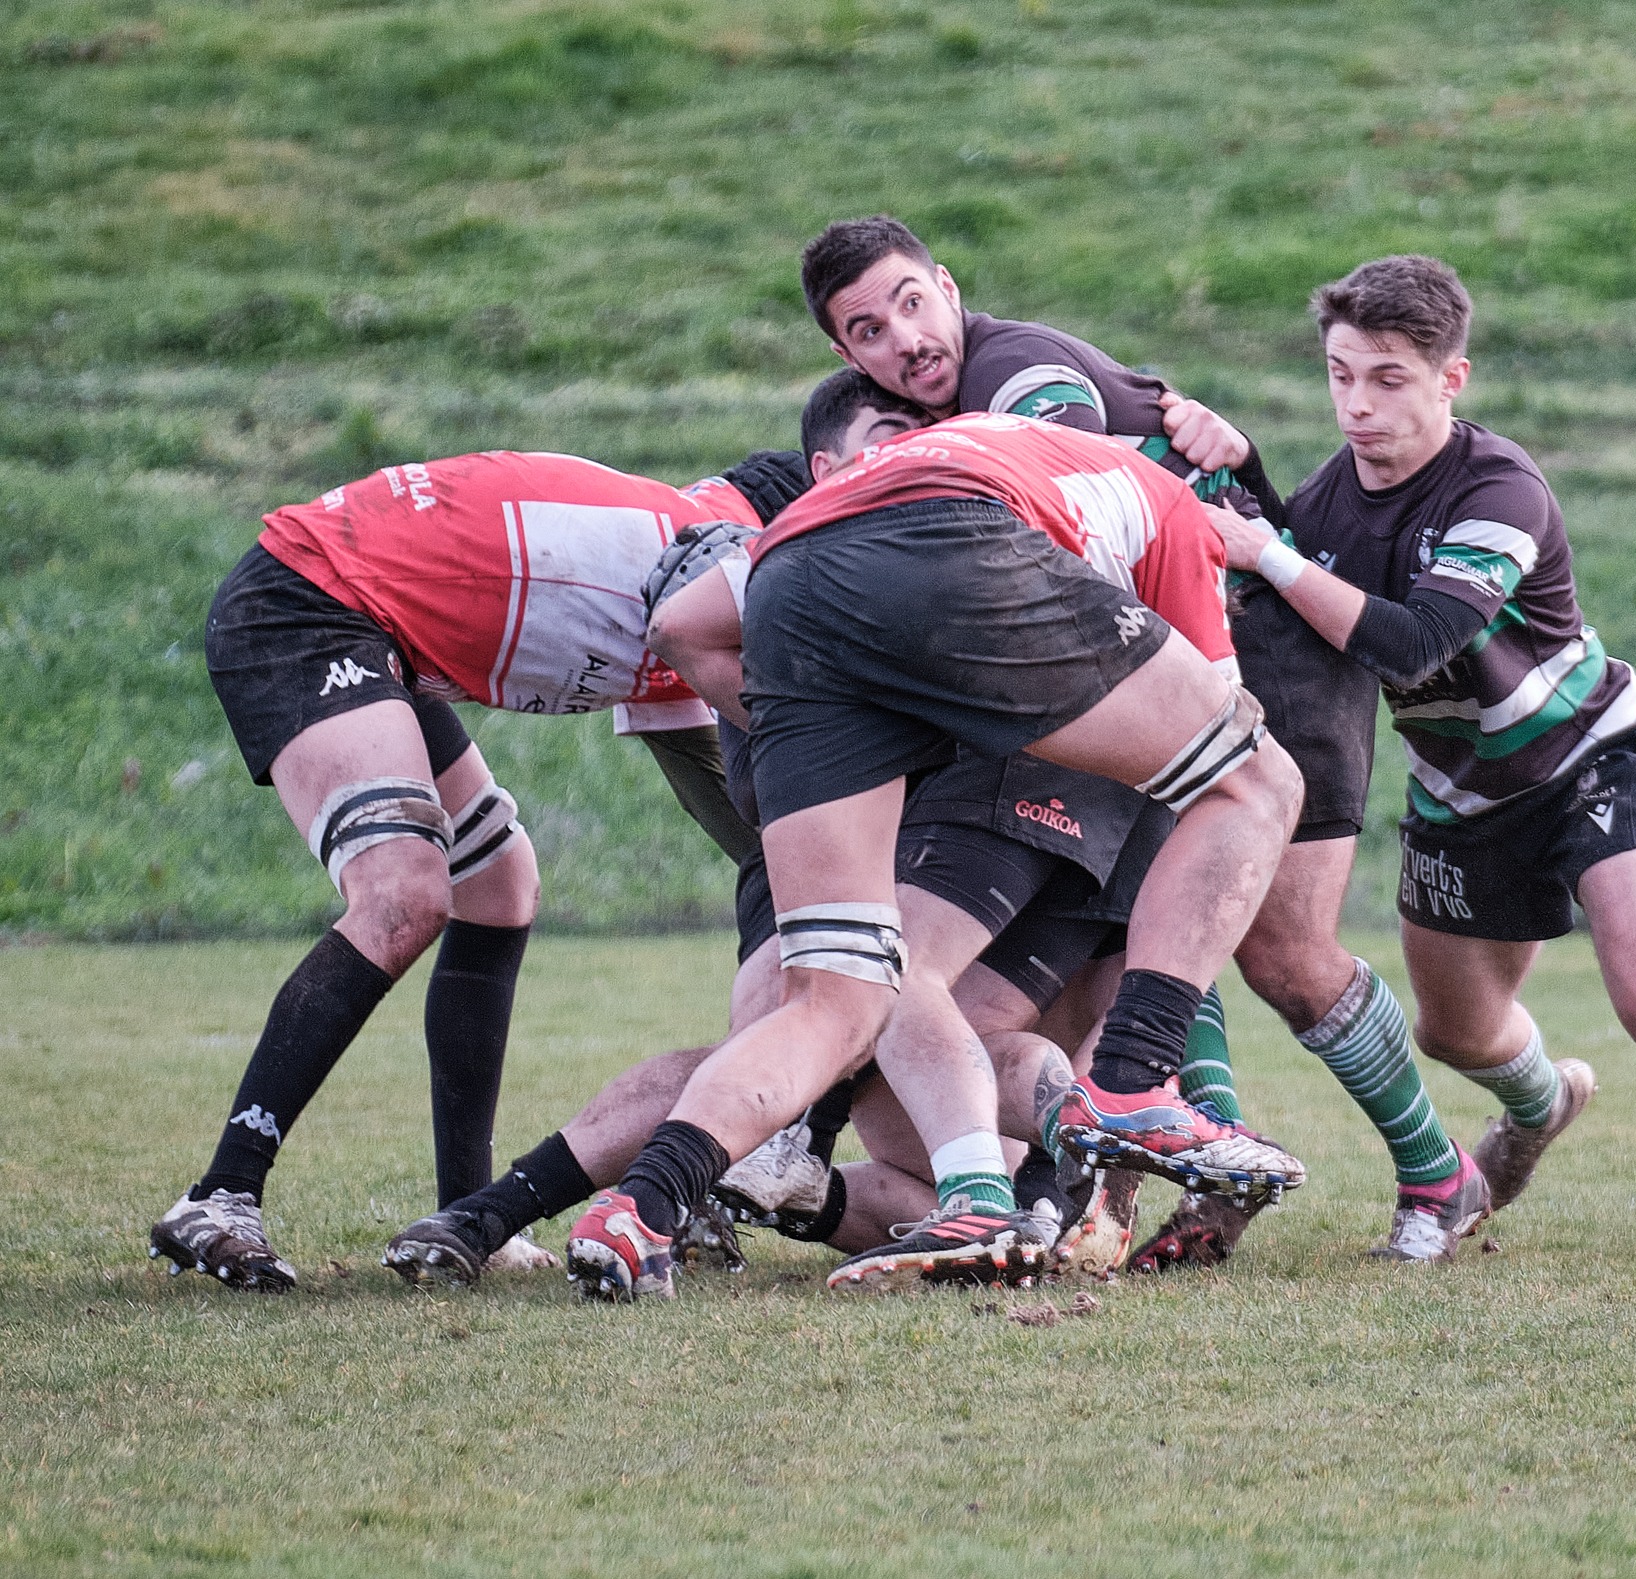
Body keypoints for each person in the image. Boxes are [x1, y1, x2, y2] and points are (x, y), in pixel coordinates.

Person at [1212, 253, 1636, 1259]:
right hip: (1460, 800)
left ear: (1451, 379)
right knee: (1453, 1032)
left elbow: (1414, 643)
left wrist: (1269, 551)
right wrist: (1238, 464)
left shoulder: (1499, 489)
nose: (1356, 405)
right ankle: (1540, 1107)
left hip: (1592, 759)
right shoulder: (1325, 504)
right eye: (1339, 374)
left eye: (1388, 379)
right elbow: (1279, 585)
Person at [566, 395, 1307, 1302]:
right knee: (1261, 782)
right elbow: (1213, 759)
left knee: (838, 1001)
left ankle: (642, 1206)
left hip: (790, 577)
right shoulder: (1179, 514)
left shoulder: (942, 457)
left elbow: (683, 626)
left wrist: (849, 751)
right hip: (952, 540)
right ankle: (1128, 1081)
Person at [146, 445, 810, 1290]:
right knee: (401, 894)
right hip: (311, 602)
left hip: (370, 619)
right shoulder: (716, 563)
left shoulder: (681, 561)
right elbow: (771, 823)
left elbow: (739, 815)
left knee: (497, 884)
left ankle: (465, 1211)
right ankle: (221, 1193)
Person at [797, 214, 1300, 1269]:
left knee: (1275, 936)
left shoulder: (1015, 374)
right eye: (869, 330)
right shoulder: (913, 424)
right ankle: (1107, 1170)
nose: (904, 340)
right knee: (1119, 953)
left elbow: (1057, 498)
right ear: (843, 354)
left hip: (1232, 632)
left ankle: (1411, 1173)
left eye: (911, 303)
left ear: (947, 285)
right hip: (1146, 658)